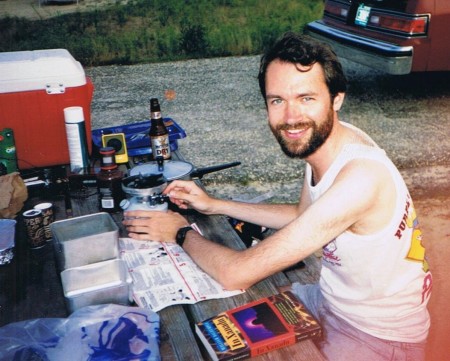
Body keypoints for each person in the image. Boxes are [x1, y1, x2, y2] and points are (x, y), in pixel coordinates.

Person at [123, 32, 432, 360]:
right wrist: (213, 204)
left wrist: (179, 231)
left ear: (336, 98)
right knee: (221, 324)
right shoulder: (326, 142)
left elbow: (236, 272)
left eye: (306, 98)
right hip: (331, 299)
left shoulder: (360, 178)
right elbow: (303, 214)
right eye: (277, 100)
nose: (290, 117)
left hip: (378, 337)